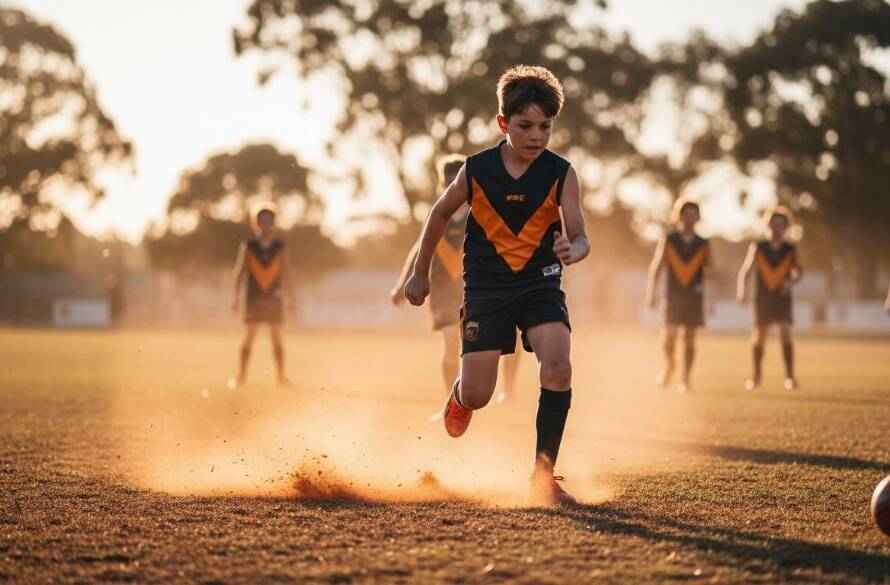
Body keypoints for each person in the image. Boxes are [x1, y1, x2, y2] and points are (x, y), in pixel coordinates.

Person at [404, 65, 590, 506]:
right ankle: (459, 396)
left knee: (559, 365)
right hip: (486, 291)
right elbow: (437, 215)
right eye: (525, 126)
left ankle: (543, 476)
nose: (536, 136)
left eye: (545, 126)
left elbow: (581, 235)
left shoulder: (562, 173)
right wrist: (419, 272)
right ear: (503, 124)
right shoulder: (476, 170)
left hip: (540, 284)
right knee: (479, 395)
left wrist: (573, 249)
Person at [393, 155, 521, 403]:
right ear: (442, 186)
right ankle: (451, 401)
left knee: (504, 340)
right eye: (448, 182)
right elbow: (419, 250)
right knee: (452, 341)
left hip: (477, 289)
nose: (454, 186)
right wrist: (402, 284)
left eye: (458, 180)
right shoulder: (436, 215)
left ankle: (508, 389)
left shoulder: (483, 213)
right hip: (441, 290)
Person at [644, 198, 711, 393]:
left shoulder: (703, 243)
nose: (689, 218)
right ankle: (669, 365)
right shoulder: (669, 239)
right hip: (673, 295)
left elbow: (710, 270)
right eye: (685, 214)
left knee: (690, 339)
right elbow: (656, 266)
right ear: (678, 216)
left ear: (698, 217)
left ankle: (686, 378)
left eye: (693, 214)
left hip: (694, 296)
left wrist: (710, 297)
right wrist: (651, 292)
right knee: (669, 335)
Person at [737, 206, 802, 391]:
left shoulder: (790, 248)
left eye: (781, 225)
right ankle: (756, 375)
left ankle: (789, 376)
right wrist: (742, 291)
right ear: (768, 226)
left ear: (786, 227)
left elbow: (798, 272)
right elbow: (746, 270)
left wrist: (791, 282)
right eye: (773, 224)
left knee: (784, 331)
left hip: (782, 298)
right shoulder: (759, 247)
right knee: (760, 336)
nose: (777, 228)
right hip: (763, 298)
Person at [231, 202, 295, 386]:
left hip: (274, 297)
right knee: (249, 335)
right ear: (256, 223)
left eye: (268, 220)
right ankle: (241, 376)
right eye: (261, 221)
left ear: (273, 223)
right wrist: (235, 298)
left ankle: (281, 377)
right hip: (253, 297)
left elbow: (287, 274)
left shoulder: (280, 246)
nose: (265, 224)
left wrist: (291, 299)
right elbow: (239, 272)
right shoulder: (249, 246)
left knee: (276, 336)